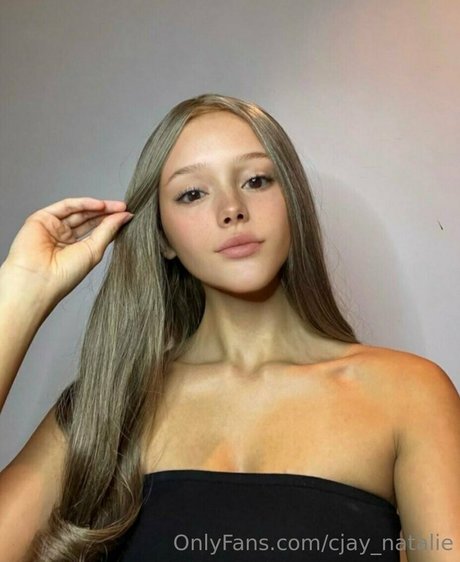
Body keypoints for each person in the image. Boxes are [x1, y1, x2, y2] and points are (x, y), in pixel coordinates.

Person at [0, 93, 458, 562]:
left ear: (293, 203)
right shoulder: (109, 403)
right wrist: (22, 291)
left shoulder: (409, 394)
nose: (232, 208)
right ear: (163, 237)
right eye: (193, 193)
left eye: (256, 180)